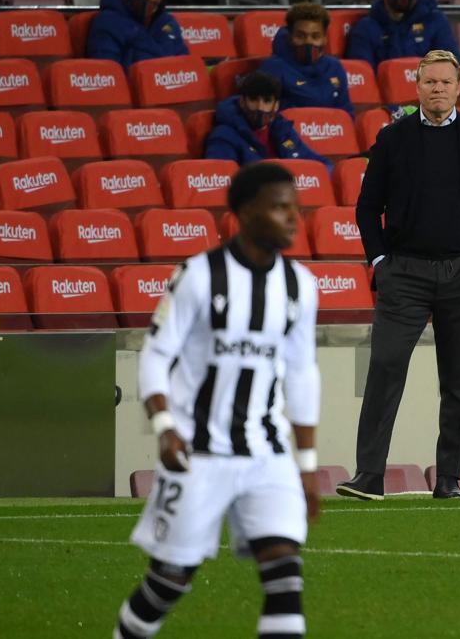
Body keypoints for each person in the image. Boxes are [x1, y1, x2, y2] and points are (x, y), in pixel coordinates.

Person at [113, 162, 321, 639]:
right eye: (280, 208)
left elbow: (302, 373)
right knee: (169, 580)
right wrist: (164, 426)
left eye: (297, 209)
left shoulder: (300, 286)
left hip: (266, 454)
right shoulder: (199, 276)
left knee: (284, 572)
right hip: (197, 455)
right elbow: (156, 354)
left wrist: (306, 464)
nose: (294, 219)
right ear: (246, 212)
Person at [336, 50, 460, 501]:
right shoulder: (392, 139)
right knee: (384, 366)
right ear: (416, 88)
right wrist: (380, 262)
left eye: (445, 82)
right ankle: (369, 476)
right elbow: (365, 209)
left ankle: (449, 479)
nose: (437, 89)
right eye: (429, 82)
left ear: (459, 88)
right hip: (405, 274)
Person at [204, 71, 332, 171]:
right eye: (254, 99)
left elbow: (322, 164)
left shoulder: (283, 130)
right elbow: (222, 178)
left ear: (276, 105)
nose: (260, 107)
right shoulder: (223, 136)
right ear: (242, 102)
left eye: (267, 101)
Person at [87, 0, 189, 72]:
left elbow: (185, 68)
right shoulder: (107, 23)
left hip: (167, 88)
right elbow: (107, 74)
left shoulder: (168, 24)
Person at [260, 3, 354, 117]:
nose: (308, 42)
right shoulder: (273, 69)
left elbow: (346, 114)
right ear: (290, 37)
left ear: (325, 39)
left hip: (332, 132)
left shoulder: (335, 67)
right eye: (300, 36)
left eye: (315, 36)